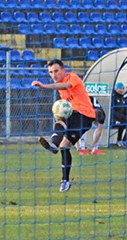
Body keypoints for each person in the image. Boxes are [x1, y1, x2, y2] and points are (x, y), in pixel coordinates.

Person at [32, 60, 96, 192]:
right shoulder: (58, 85)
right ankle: (65, 181)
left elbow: (66, 86)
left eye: (56, 71)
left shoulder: (72, 77)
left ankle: (53, 143)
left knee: (62, 116)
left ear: (63, 70)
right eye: (50, 72)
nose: (53, 74)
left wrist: (44, 86)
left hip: (84, 115)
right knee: (64, 146)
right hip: (78, 118)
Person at [111, 82, 127, 147]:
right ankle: (119, 140)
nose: (121, 90)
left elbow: (125, 109)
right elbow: (112, 110)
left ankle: (126, 140)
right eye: (120, 88)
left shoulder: (122, 98)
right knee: (123, 123)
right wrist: (121, 116)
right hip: (114, 119)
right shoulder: (113, 97)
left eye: (122, 88)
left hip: (122, 118)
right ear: (116, 89)